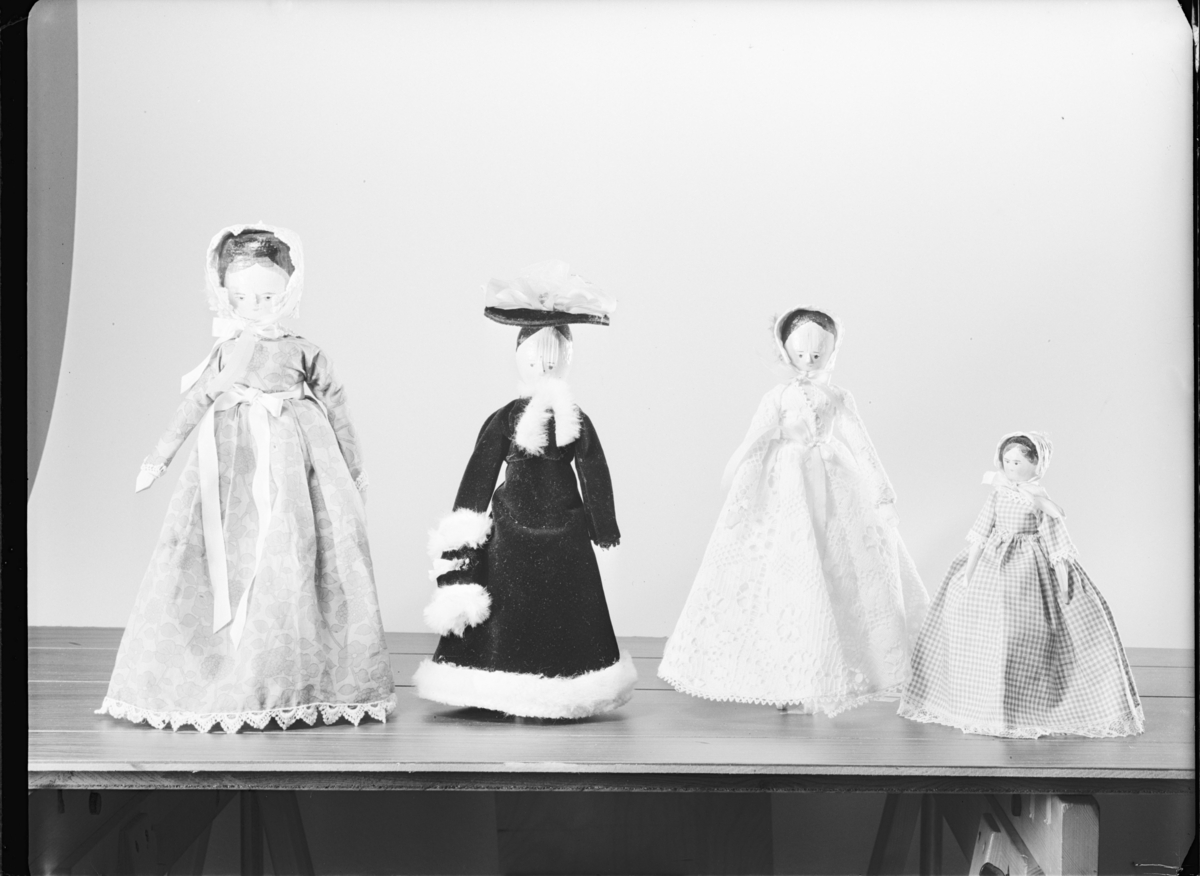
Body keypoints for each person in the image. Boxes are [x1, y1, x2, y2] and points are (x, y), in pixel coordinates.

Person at [97, 223, 395, 732]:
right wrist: (159, 457)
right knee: (225, 550)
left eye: (266, 296)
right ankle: (221, 675)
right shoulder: (226, 351)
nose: (253, 306)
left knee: (295, 548)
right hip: (231, 456)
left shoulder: (304, 351)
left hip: (296, 457)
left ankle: (300, 683)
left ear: (289, 292)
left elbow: (338, 407)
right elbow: (198, 400)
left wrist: (353, 466)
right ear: (223, 294)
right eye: (240, 296)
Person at [658, 306, 928, 715]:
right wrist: (742, 499)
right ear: (786, 352)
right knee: (786, 572)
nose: (809, 360)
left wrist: (881, 495)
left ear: (833, 351)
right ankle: (787, 675)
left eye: (818, 353)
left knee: (842, 566)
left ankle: (835, 672)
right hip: (786, 484)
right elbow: (754, 444)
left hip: (836, 480)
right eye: (801, 353)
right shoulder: (777, 397)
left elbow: (862, 445)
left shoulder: (838, 397)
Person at [413, 260, 636, 719]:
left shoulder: (575, 417)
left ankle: (567, 685)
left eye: (553, 360)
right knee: (508, 594)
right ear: (520, 359)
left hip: (565, 521)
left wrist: (603, 524)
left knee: (567, 597)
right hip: (511, 521)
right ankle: (499, 680)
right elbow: (480, 470)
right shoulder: (506, 417)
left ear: (567, 361)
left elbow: (593, 468)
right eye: (535, 359)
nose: (544, 367)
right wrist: (464, 526)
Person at [898, 432, 1144, 738]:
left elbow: (1057, 543)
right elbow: (980, 533)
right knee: (977, 628)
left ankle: (1034, 706)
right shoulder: (997, 495)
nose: (1011, 467)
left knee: (1026, 631)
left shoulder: (1040, 501)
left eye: (1018, 462)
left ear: (1037, 464)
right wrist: (967, 572)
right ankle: (971, 703)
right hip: (992, 563)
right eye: (1007, 461)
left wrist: (1064, 583)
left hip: (1031, 566)